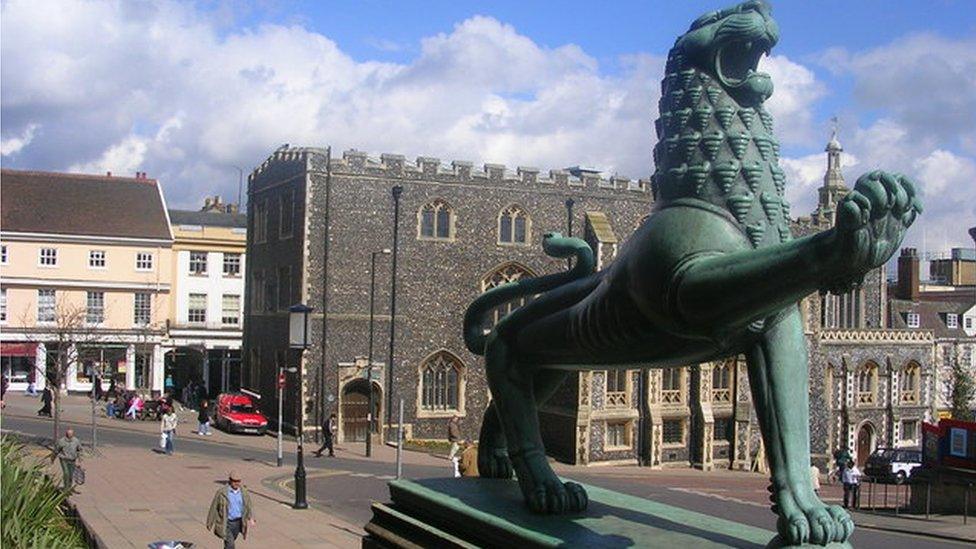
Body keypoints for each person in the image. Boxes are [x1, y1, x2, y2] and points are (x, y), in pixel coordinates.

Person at [207, 470, 255, 549]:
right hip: (226, 523)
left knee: (230, 542)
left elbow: (248, 505)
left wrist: (250, 518)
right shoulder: (222, 493)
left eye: (238, 481)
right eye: (234, 481)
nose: (237, 483)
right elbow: (214, 507)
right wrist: (210, 522)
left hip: (238, 522)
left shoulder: (244, 492)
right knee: (230, 544)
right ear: (230, 480)